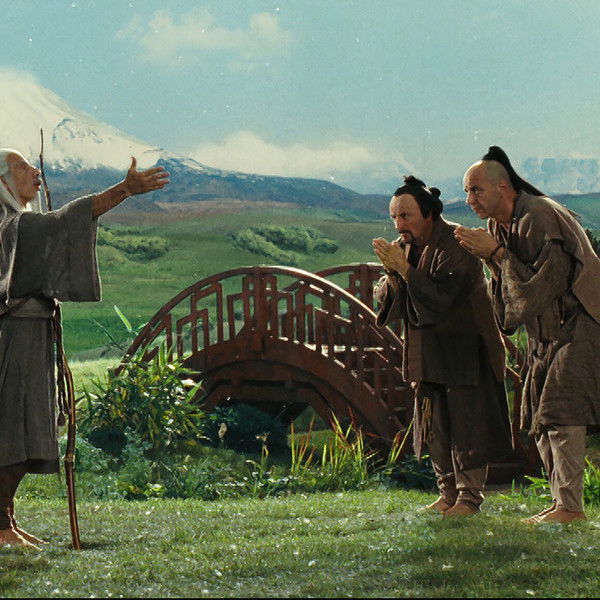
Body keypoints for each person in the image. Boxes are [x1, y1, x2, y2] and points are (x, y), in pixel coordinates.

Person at [0, 148, 169, 548]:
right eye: (22, 167)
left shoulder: (17, 224)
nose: (34, 171)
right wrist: (124, 190)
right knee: (15, 424)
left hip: (30, 332)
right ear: (3, 182)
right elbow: (64, 221)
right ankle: (0, 524)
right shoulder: (12, 227)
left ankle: (5, 519)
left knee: (25, 424)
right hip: (16, 335)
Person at [455, 146, 600, 524]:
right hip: (547, 333)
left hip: (581, 323)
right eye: (467, 191)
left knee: (561, 412)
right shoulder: (499, 225)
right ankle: (560, 503)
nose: (469, 200)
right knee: (538, 415)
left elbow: (544, 286)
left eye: (476, 190)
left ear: (503, 187)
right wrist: (493, 255)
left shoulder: (539, 215)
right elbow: (509, 291)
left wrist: (496, 254)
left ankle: (571, 508)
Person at [373, 175, 512, 516]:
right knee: (433, 423)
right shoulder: (406, 245)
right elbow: (388, 296)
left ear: (429, 213)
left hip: (466, 348)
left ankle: (469, 497)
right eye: (394, 217)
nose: (399, 224)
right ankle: (447, 492)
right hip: (428, 350)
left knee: (468, 422)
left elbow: (440, 297)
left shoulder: (457, 243)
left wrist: (403, 269)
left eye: (405, 216)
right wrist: (392, 273)